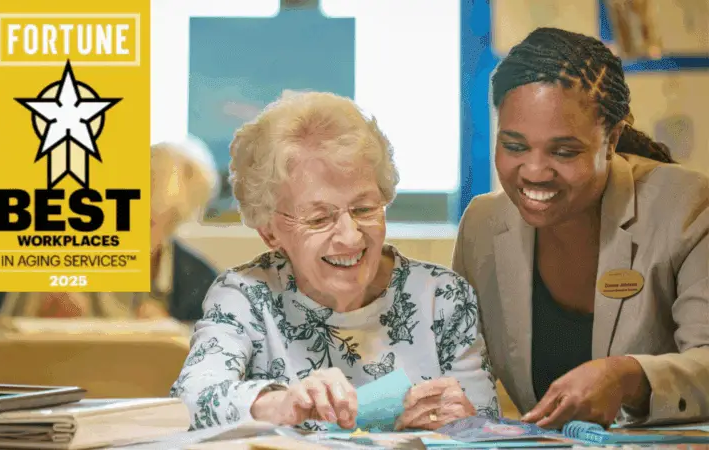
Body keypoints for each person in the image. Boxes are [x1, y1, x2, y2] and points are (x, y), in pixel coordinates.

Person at [171, 91, 499, 431]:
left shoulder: (442, 297)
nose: (351, 237)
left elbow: (491, 431)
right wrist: (280, 404)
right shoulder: (244, 296)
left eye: (364, 209)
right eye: (319, 218)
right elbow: (190, 400)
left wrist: (467, 424)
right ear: (269, 231)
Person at [452, 27, 709, 430]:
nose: (535, 172)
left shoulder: (686, 207)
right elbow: (454, 366)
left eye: (564, 151)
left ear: (612, 139)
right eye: (515, 146)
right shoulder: (482, 227)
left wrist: (629, 377)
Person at [0, 139, 219, 322]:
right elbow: (5, 333)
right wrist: (41, 315)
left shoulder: (199, 282)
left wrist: (170, 334)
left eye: (150, 222)